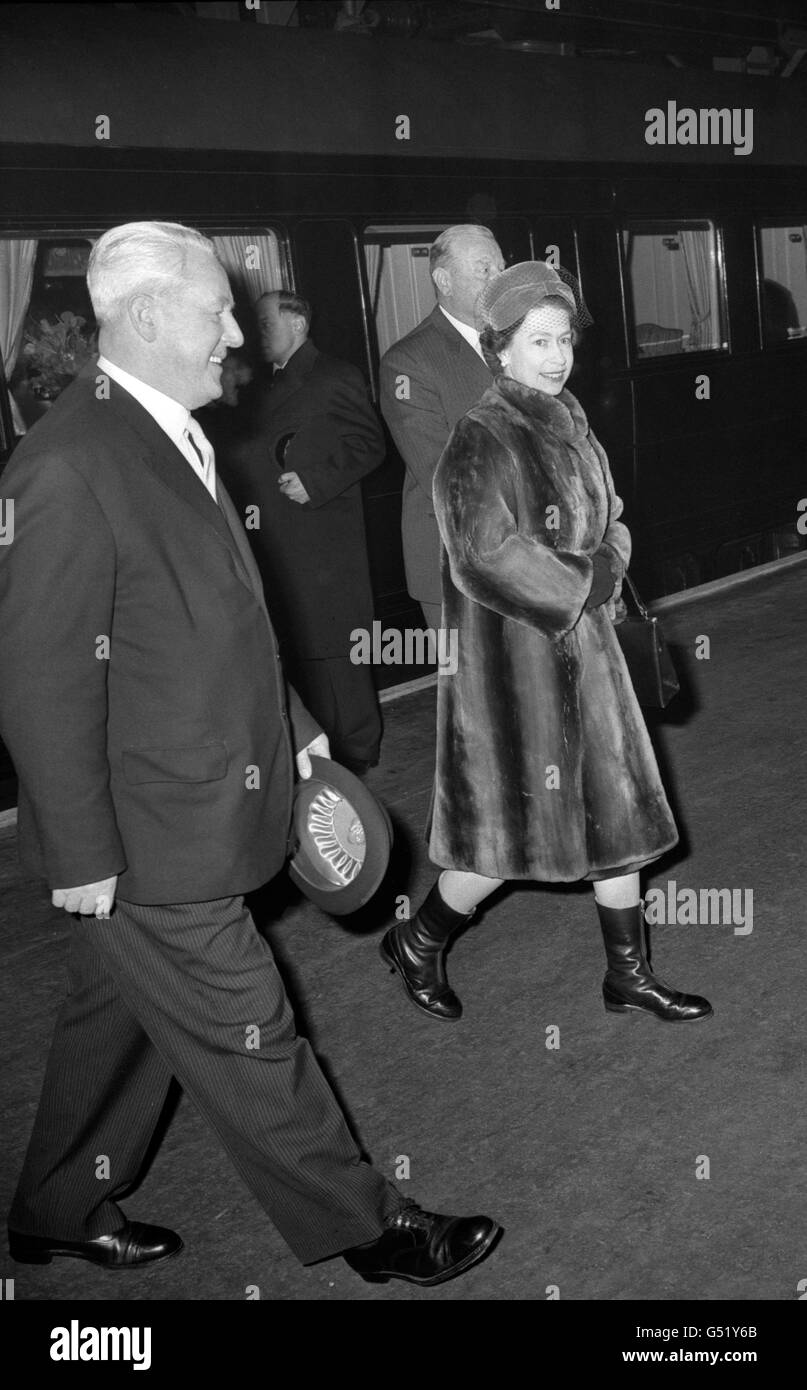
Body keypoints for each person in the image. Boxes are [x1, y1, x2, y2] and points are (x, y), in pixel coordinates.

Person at [0, 222, 501, 1287]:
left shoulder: (165, 429)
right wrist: (84, 854)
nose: (237, 327)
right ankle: (373, 1225)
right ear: (143, 317)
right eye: (214, 309)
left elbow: (211, 615)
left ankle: (54, 1205)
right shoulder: (67, 462)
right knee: (250, 1023)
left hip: (203, 783)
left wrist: (296, 724)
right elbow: (39, 677)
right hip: (145, 825)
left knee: (119, 1019)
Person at [380, 261, 713, 1028]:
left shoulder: (565, 418)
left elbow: (610, 514)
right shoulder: (481, 436)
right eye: (539, 340)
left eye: (563, 338)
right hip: (519, 670)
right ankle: (418, 939)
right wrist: (590, 577)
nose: (557, 354)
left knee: (617, 816)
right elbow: (483, 555)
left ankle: (627, 975)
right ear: (500, 347)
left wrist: (611, 549)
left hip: (587, 659)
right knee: (501, 840)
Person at [218, 290, 383, 774]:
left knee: (340, 649)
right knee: (304, 647)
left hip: (323, 540)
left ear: (298, 324)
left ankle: (357, 749)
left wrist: (316, 480)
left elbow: (370, 444)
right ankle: (321, 748)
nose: (257, 332)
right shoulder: (260, 383)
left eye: (266, 322)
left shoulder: (334, 376)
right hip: (277, 539)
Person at [380, 225, 504, 630]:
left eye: (502, 267)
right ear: (443, 280)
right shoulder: (409, 362)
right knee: (476, 691)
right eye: (485, 269)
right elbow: (445, 474)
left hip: (529, 556)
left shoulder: (521, 343)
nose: (499, 279)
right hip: (459, 562)